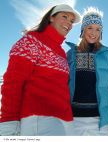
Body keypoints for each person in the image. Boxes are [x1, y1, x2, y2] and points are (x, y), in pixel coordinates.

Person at [0, 4, 81, 136]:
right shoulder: (31, 41)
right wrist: (8, 120)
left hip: (65, 120)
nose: (69, 23)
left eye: (71, 21)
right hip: (39, 118)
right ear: (51, 18)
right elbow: (13, 82)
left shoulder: (61, 52)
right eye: (64, 17)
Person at [66, 7, 108, 136]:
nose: (94, 32)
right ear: (83, 30)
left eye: (98, 29)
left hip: (101, 122)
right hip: (73, 121)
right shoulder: (71, 54)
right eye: (90, 28)